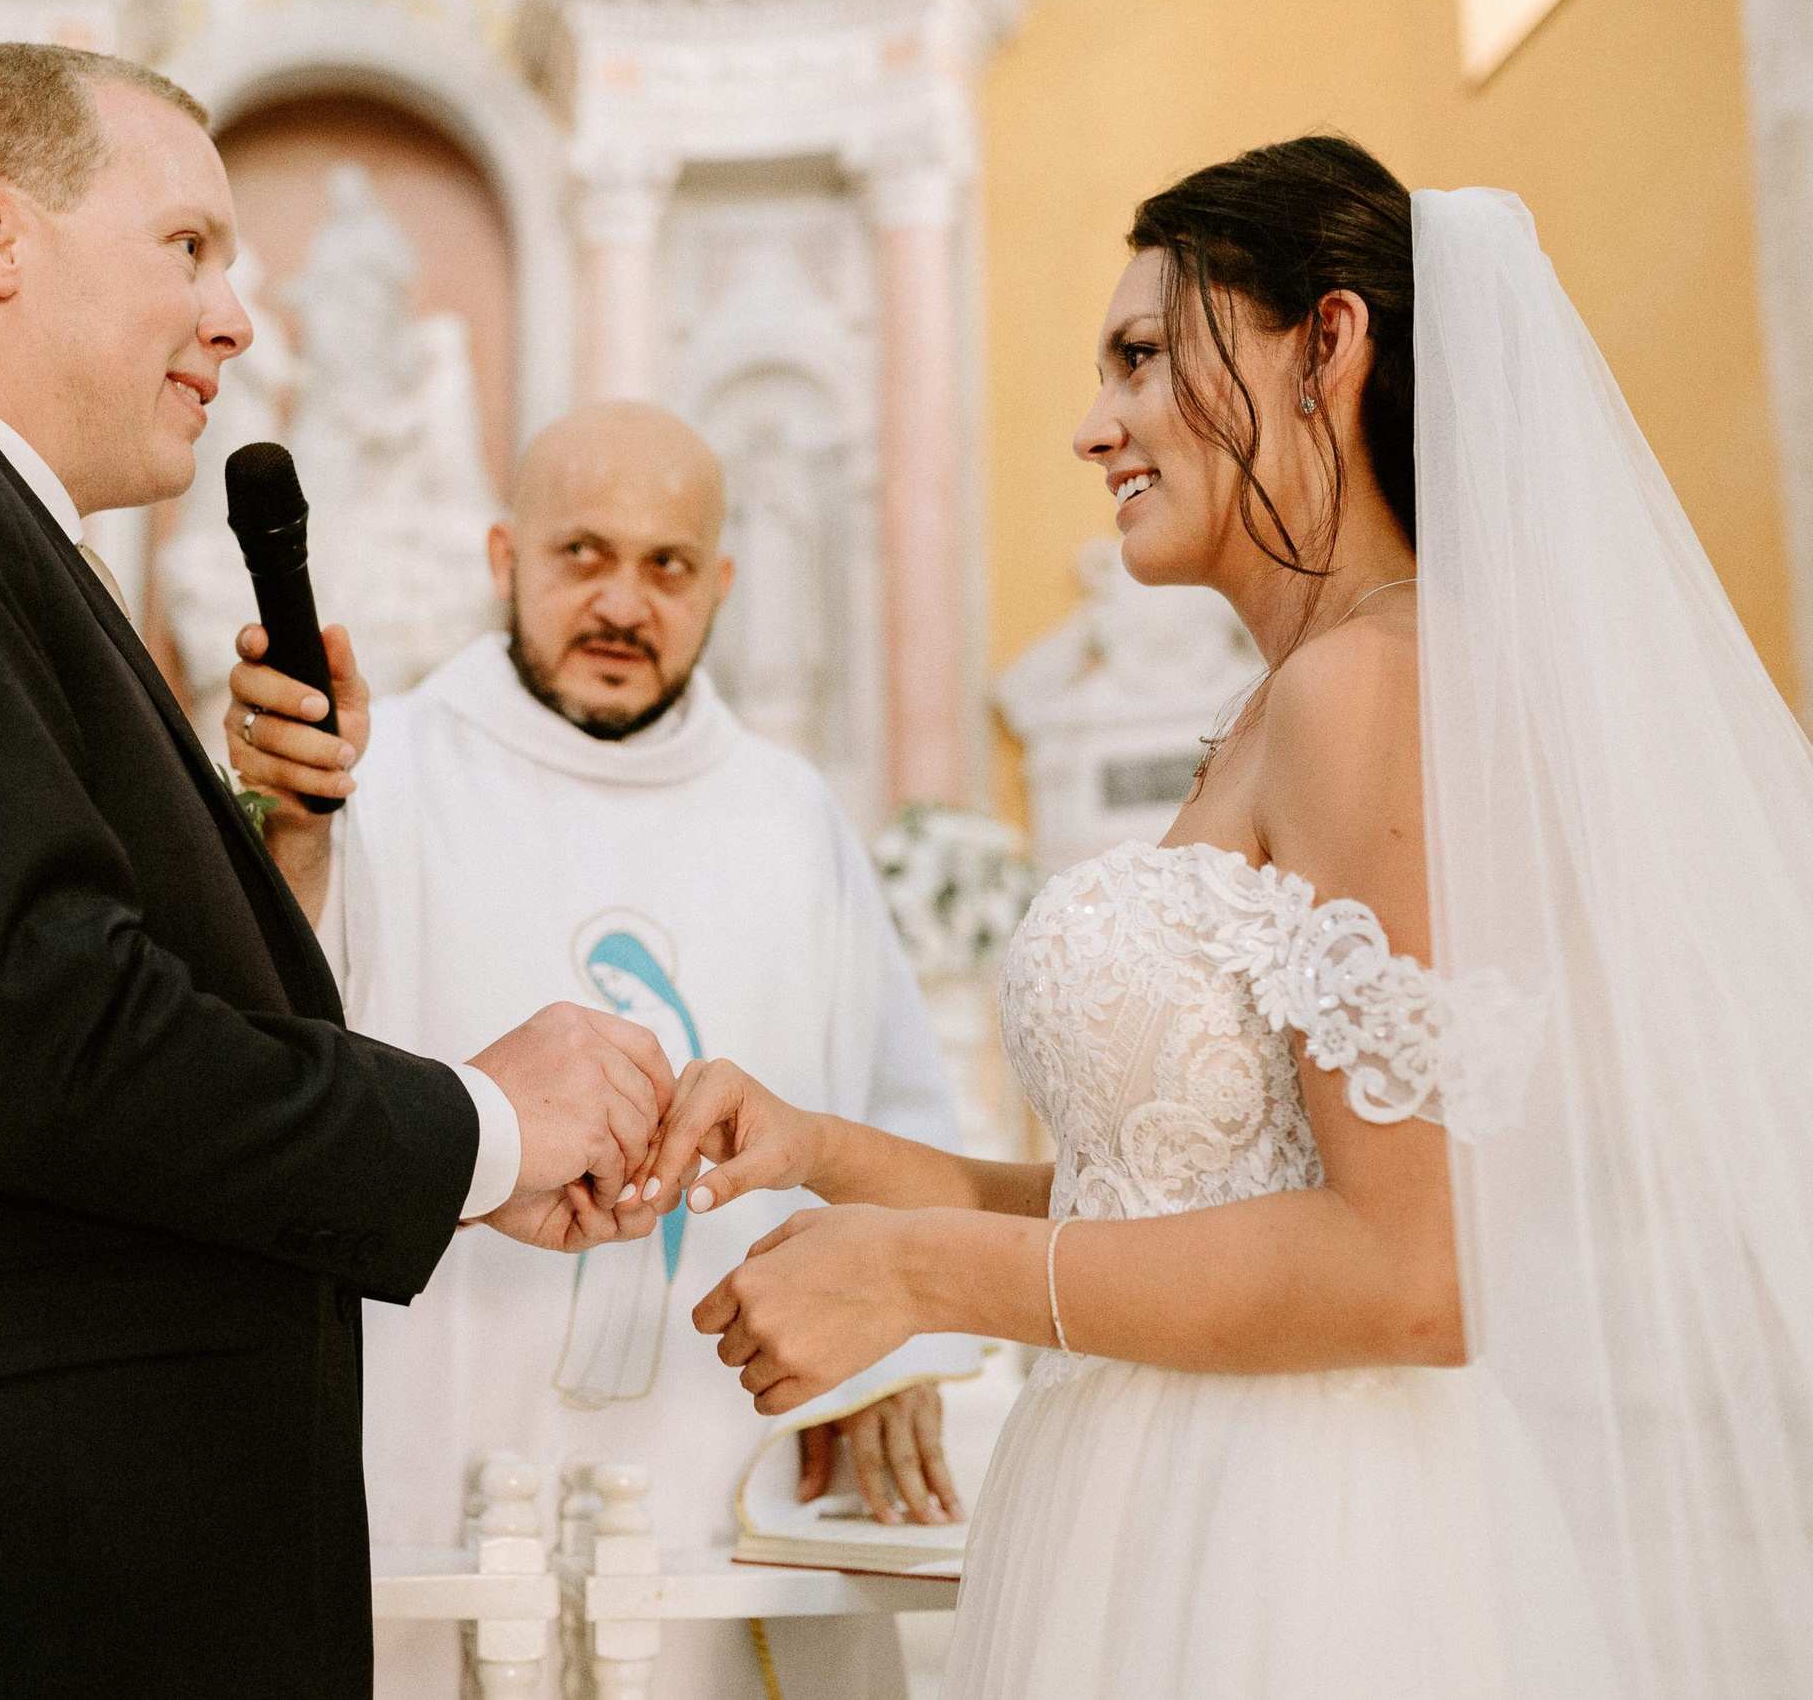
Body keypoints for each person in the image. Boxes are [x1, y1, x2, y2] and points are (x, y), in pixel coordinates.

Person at [639, 135, 1813, 1699]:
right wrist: (827, 1151)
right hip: (1147, 1500)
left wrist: (918, 1275)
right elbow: (1150, 1208)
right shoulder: (1282, 705)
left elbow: (1418, 1269)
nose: (1092, 424)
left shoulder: (1373, 687)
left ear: (1328, 341)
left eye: (1141, 355)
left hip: (1291, 1553)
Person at [0, 45, 674, 1700]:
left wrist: (266, 834)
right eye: (190, 247)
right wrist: (484, 1119)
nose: (241, 315)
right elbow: (38, 1036)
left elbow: (16, 975)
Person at [227, 400, 980, 1700]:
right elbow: (272, 1056)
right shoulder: (378, 772)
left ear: (723, 584)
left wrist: (898, 1347)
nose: (623, 600)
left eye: (668, 565)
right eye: (582, 555)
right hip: (431, 1474)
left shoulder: (788, 815)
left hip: (724, 1485)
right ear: (504, 556)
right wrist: (291, 831)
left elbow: (897, 1102)